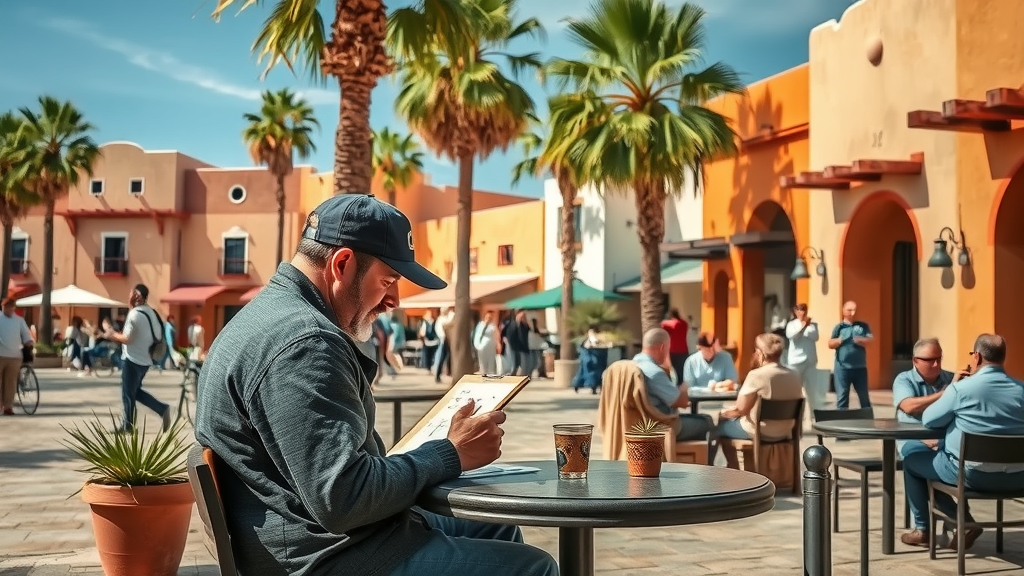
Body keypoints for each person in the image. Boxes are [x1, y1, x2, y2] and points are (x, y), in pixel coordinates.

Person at [194, 194, 557, 576]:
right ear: (343, 264)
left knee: (496, 523)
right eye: (388, 281)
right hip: (325, 559)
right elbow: (344, 497)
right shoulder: (305, 343)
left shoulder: (271, 314)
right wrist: (449, 453)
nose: (394, 300)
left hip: (319, 540)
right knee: (533, 567)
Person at [900, 334, 1024, 549]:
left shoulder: (961, 389)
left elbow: (930, 420)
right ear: (1003, 358)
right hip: (1018, 477)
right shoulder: (1021, 389)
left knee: (912, 458)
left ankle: (923, 529)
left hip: (972, 476)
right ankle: (960, 523)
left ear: (976, 357)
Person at [716, 333, 805, 469]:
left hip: (761, 430)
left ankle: (733, 468)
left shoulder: (757, 375)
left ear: (759, 353)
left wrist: (722, 414)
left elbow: (741, 409)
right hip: (787, 429)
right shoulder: (794, 374)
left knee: (719, 427)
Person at [103, 284, 171, 433]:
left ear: (135, 295)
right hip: (146, 360)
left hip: (132, 359)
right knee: (135, 391)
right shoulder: (151, 312)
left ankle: (129, 425)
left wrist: (110, 333)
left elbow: (126, 338)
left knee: (128, 393)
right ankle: (161, 409)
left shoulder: (134, 314)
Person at [633, 328, 714, 443]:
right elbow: (680, 402)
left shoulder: (632, 364)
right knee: (707, 422)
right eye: (668, 348)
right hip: (659, 425)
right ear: (662, 347)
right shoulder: (655, 372)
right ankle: (699, 461)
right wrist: (684, 386)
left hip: (638, 423)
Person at [892, 338, 959, 460]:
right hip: (913, 440)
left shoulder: (951, 378)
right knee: (916, 457)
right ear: (915, 361)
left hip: (945, 440)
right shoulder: (904, 379)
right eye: (930, 360)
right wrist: (947, 393)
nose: (936, 364)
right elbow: (909, 407)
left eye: (939, 359)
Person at [827, 300, 873, 409]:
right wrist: (840, 340)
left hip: (860, 368)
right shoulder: (839, 327)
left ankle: (868, 422)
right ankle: (842, 422)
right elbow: (830, 343)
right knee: (842, 397)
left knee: (864, 397)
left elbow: (870, 340)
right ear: (843, 311)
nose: (853, 313)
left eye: (855, 310)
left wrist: (859, 340)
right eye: (849, 310)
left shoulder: (863, 326)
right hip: (842, 368)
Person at [784, 304, 821, 413]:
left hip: (810, 360)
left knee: (811, 389)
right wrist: (803, 326)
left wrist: (807, 326)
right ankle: (793, 411)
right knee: (795, 388)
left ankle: (813, 413)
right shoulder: (791, 324)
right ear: (795, 311)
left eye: (804, 309)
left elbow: (815, 337)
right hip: (795, 360)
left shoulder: (813, 325)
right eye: (799, 310)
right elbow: (792, 336)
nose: (802, 312)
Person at [0, 298, 33, 415]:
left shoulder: (19, 320)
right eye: (5, 307)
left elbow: (26, 334)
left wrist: (28, 342)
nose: (8, 309)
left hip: (15, 356)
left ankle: (8, 406)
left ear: (13, 308)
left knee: (11, 382)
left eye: (10, 307)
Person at [660, 309, 689, 385]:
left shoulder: (671, 324)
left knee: (674, 372)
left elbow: (663, 324)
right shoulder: (684, 323)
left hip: (673, 351)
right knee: (683, 371)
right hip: (684, 350)